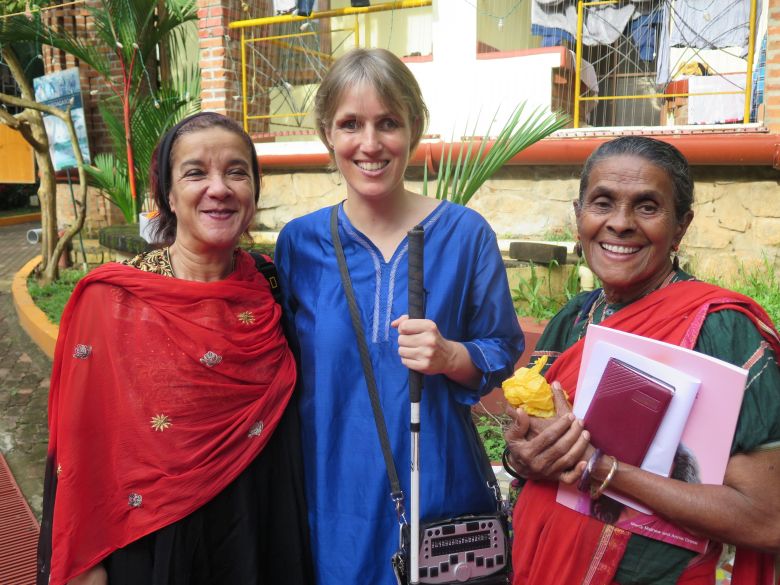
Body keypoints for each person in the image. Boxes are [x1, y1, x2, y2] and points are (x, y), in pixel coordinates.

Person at [274, 48, 525, 585]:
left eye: (388, 122)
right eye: (350, 124)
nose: (370, 144)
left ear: (415, 126)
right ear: (327, 133)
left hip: (438, 483)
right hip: (332, 490)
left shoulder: (465, 234)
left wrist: (453, 355)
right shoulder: (301, 243)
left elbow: (502, 348)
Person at [36, 112, 313, 585]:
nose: (219, 188)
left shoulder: (270, 286)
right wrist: (86, 567)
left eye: (236, 171)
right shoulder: (114, 302)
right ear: (167, 194)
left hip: (260, 536)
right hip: (155, 548)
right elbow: (82, 451)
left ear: (254, 188)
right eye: (195, 172)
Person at [504, 136, 780, 585]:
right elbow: (530, 451)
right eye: (602, 203)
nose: (620, 223)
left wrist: (604, 469)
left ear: (681, 225)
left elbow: (767, 517)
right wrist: (523, 457)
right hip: (543, 565)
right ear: (579, 218)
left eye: (647, 207)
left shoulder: (720, 332)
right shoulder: (574, 317)